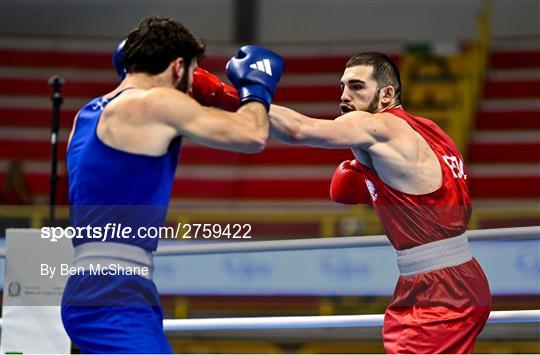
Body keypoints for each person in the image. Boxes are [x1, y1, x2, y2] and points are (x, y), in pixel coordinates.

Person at [61, 16, 283, 353]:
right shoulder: (156, 101)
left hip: (99, 284)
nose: (193, 83)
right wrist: (256, 88)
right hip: (112, 291)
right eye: (193, 73)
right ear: (178, 67)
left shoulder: (87, 114)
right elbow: (253, 135)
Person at [269, 52, 491, 353]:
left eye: (357, 87)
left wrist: (244, 97)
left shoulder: (375, 125)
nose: (345, 96)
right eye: (342, 87)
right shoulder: (432, 131)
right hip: (459, 277)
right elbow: (460, 208)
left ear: (387, 93)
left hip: (439, 289)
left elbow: (298, 129)